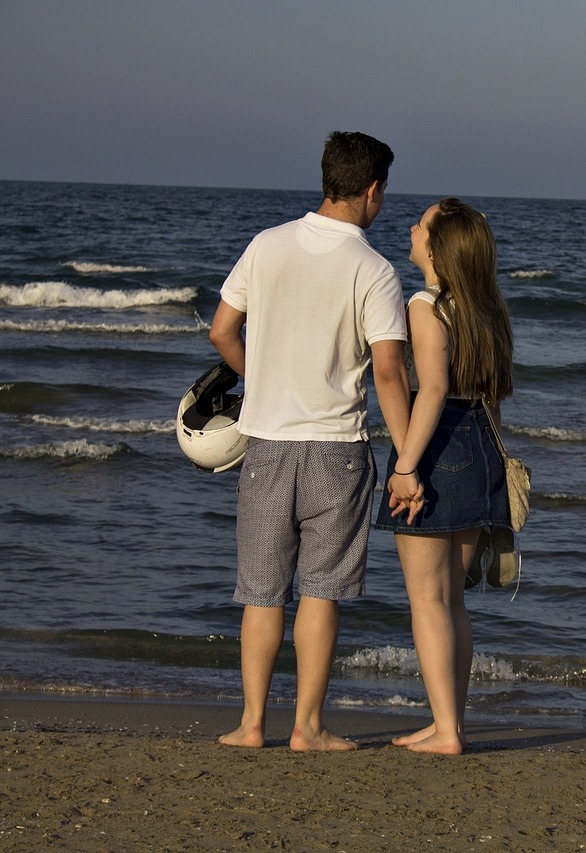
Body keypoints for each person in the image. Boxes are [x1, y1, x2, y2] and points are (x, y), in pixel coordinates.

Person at [208, 131, 417, 751]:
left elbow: (223, 331)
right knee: (321, 590)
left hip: (266, 443)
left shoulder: (266, 245)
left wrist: (262, 377)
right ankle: (308, 727)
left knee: (262, 588)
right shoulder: (373, 270)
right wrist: (408, 458)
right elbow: (386, 373)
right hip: (335, 448)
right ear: (373, 190)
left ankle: (250, 725)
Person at [375, 197, 515, 755]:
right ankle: (445, 723)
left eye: (421, 223)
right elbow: (492, 399)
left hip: (436, 446)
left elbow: (430, 388)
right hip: (479, 443)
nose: (411, 228)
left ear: (437, 246)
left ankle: (448, 732)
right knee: (452, 600)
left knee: (428, 599)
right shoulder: (484, 308)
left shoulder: (425, 304)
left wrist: (407, 466)